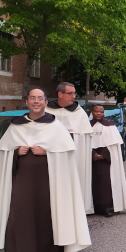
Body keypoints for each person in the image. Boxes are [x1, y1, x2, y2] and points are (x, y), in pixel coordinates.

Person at [0, 89, 91, 252]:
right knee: (18, 217)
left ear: (46, 102)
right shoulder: (16, 127)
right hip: (22, 182)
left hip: (48, 182)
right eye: (32, 98)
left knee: (45, 216)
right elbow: (4, 157)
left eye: (40, 98)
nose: (36, 101)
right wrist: (16, 152)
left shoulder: (56, 127)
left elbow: (68, 156)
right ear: (26, 102)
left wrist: (47, 152)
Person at [45, 82, 94, 213]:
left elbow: (84, 139)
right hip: (50, 156)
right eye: (70, 93)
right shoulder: (47, 110)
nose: (74, 96)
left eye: (74, 93)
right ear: (60, 94)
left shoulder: (79, 113)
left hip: (72, 156)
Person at [90, 105, 126, 217]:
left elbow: (114, 146)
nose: (99, 113)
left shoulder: (110, 126)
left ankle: (107, 207)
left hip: (105, 160)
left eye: (101, 112)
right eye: (96, 111)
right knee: (91, 182)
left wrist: (103, 155)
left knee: (106, 183)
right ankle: (92, 207)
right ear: (92, 112)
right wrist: (93, 154)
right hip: (90, 160)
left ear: (104, 113)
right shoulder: (86, 126)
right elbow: (83, 144)